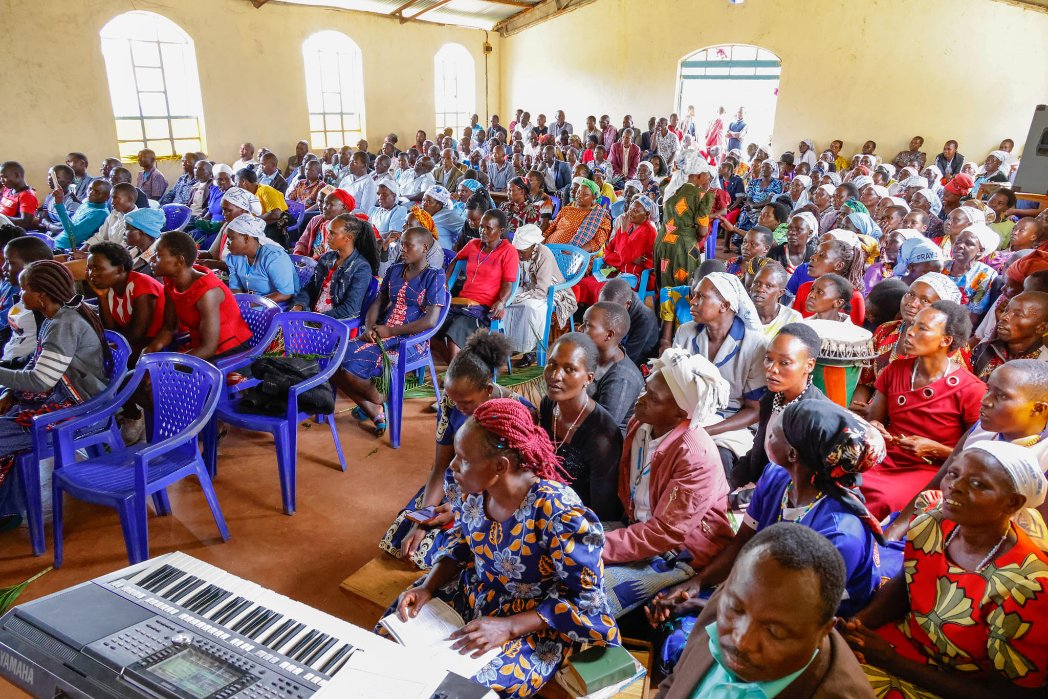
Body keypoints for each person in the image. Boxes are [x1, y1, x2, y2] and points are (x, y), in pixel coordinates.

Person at [388, 398, 617, 697]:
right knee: (392, 633)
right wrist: (428, 587)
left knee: (463, 689)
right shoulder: (473, 489)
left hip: (535, 620)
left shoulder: (557, 512)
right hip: (473, 592)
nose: (453, 466)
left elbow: (585, 598)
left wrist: (508, 627)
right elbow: (463, 543)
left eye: (463, 458)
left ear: (500, 465)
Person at [652, 400, 894, 676]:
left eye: (777, 430)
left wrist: (702, 605)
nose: (768, 431)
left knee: (694, 649)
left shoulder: (839, 534)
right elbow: (744, 543)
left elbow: (790, 614)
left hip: (806, 621)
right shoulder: (777, 477)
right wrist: (698, 583)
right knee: (667, 616)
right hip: (767, 591)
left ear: (792, 453)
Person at [843, 441, 1048, 698]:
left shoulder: (1028, 586)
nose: (955, 487)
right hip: (900, 643)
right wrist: (858, 624)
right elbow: (909, 581)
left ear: (1012, 502)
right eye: (953, 473)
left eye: (978, 484)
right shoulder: (933, 521)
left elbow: (1007, 694)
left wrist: (890, 660)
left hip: (953, 683)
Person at [655, 523, 875, 699]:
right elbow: (674, 683)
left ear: (823, 632)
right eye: (735, 610)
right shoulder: (737, 595)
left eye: (774, 632)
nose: (742, 641)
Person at [601, 349, 735, 617]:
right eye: (646, 389)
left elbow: (666, 534)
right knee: (559, 542)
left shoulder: (694, 455)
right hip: (638, 532)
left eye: (652, 398)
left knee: (593, 593)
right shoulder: (642, 424)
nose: (640, 399)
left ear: (679, 414)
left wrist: (598, 546)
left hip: (680, 553)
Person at [0, 261, 111, 531]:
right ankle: (8, 508)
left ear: (41, 294)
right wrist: (10, 391)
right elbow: (37, 364)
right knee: (9, 417)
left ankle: (7, 509)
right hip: (62, 398)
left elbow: (40, 380)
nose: (20, 295)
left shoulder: (64, 323)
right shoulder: (55, 317)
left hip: (80, 412)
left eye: (24, 289)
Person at [862, 301, 986, 518]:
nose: (910, 332)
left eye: (922, 328)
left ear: (946, 340)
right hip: (885, 457)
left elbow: (976, 456)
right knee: (842, 478)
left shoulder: (971, 389)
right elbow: (875, 420)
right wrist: (876, 427)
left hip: (933, 469)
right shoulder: (895, 369)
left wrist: (935, 450)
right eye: (913, 325)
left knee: (882, 498)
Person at [672, 272, 768, 485]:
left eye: (701, 297)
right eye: (693, 295)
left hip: (731, 424)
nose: (693, 302)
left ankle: (713, 512)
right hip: (688, 415)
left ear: (724, 305)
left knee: (715, 457)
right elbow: (672, 381)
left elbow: (754, 410)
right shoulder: (686, 333)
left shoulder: (754, 345)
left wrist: (707, 431)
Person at [538, 333, 623, 519]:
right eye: (551, 364)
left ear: (589, 378)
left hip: (579, 522)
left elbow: (602, 510)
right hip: (545, 505)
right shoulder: (549, 405)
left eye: (569, 369)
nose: (555, 375)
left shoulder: (602, 438)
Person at [733, 323, 829, 489]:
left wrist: (743, 497)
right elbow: (757, 453)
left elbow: (799, 484)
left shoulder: (815, 418)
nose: (771, 369)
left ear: (809, 365)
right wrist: (728, 484)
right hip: (760, 486)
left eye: (784, 362)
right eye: (769, 359)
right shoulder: (772, 397)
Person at [146, 231, 252, 360]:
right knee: (144, 371)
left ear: (179, 260)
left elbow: (208, 349)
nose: (151, 260)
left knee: (156, 377)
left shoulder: (207, 292)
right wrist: (149, 350)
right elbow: (169, 328)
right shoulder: (171, 282)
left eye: (157, 256)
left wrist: (168, 365)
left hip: (228, 351)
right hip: (199, 347)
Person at [435, 209, 517, 361]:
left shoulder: (508, 251)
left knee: (456, 329)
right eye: (481, 227)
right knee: (432, 323)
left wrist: (501, 302)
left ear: (501, 230)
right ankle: (461, 362)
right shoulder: (473, 244)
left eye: (488, 228)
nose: (483, 231)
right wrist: (445, 283)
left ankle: (456, 371)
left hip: (484, 308)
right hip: (462, 303)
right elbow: (455, 260)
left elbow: (508, 283)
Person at [291, 213, 379, 320]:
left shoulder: (361, 268)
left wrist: (315, 318)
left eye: (332, 234)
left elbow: (350, 309)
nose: (328, 237)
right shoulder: (327, 258)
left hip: (334, 322)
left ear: (348, 238)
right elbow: (310, 287)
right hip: (313, 315)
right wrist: (299, 305)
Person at [86, 242, 165, 356]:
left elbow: (136, 335)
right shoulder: (110, 287)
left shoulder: (141, 286)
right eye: (89, 268)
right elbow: (111, 331)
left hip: (158, 345)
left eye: (97, 268)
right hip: (133, 342)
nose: (92, 274)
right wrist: (102, 297)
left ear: (119, 269)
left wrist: (108, 347)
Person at [543, 178, 612, 304]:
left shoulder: (600, 216)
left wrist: (574, 250)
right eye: (579, 192)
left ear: (594, 198)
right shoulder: (566, 209)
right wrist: (541, 243)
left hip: (575, 256)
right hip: (550, 252)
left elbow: (596, 243)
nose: (579, 195)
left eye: (585, 194)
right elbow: (550, 230)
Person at [579, 302, 644, 434]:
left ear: (609, 335)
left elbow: (603, 427)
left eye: (587, 325)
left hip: (606, 444)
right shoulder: (595, 357)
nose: (580, 328)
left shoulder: (621, 378)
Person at [655, 153, 716, 290]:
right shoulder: (701, 196)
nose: (708, 177)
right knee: (683, 285)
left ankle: (663, 310)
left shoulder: (670, 187)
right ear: (699, 175)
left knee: (664, 283)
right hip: (682, 246)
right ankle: (680, 311)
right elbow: (702, 230)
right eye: (706, 174)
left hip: (663, 242)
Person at [970, 291, 1048, 380]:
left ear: (1042, 328)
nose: (1004, 317)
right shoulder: (984, 349)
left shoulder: (1043, 368)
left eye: (1018, 315)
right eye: (1006, 311)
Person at [0, 236, 52, 368]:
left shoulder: (41, 303)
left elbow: (40, 354)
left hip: (20, 370)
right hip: (8, 360)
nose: (4, 268)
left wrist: (8, 366)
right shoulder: (21, 294)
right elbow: (12, 334)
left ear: (32, 266)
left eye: (10, 263)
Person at [224, 215, 298, 304]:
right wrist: (240, 304)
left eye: (231, 238)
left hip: (277, 305)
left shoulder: (274, 257)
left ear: (246, 238)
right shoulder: (234, 257)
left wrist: (250, 304)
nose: (227, 243)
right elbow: (235, 287)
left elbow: (285, 294)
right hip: (251, 303)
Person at [792, 238, 867, 325]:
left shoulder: (855, 298)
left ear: (838, 265)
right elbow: (795, 323)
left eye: (821, 255)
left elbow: (856, 335)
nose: (813, 257)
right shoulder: (805, 288)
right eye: (815, 253)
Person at [945, 225, 1000, 325]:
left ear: (980, 251)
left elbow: (972, 317)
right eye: (958, 241)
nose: (960, 245)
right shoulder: (942, 266)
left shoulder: (985, 275)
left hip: (956, 325)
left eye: (969, 244)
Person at [601, 195, 658, 289]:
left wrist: (623, 231)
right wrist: (627, 260)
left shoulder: (648, 231)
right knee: (587, 283)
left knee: (603, 289)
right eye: (630, 209)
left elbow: (625, 257)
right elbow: (608, 249)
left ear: (646, 214)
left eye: (636, 211)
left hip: (638, 277)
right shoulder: (629, 225)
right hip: (622, 271)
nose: (630, 213)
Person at [598, 277, 660, 365]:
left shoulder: (645, 320)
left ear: (628, 304)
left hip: (637, 364)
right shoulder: (618, 303)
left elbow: (628, 358)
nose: (607, 314)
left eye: (612, 310)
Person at [50, 179, 111, 251]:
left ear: (107, 197)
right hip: (58, 241)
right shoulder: (88, 203)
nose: (91, 193)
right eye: (90, 189)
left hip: (65, 248)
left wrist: (59, 204)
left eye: (97, 192)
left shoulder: (100, 213)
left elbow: (72, 234)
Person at [292, 189, 355, 258]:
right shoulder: (316, 220)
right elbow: (302, 243)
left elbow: (334, 259)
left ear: (344, 207)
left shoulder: (349, 230)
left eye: (329, 204)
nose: (324, 207)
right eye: (324, 203)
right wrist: (298, 257)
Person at [748, 262, 802, 336]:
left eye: (769, 286)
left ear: (780, 293)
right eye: (757, 283)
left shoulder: (792, 319)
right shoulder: (741, 314)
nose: (760, 289)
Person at [421, 185, 465, 252]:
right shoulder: (423, 214)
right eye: (423, 200)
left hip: (443, 255)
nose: (424, 204)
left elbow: (465, 229)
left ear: (439, 205)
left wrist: (457, 245)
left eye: (429, 201)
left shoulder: (448, 215)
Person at [1, 161, 39, 230]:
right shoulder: (7, 189)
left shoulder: (27, 196)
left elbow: (25, 222)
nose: (2, 180)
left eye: (4, 177)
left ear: (17, 175)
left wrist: (2, 218)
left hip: (9, 231)